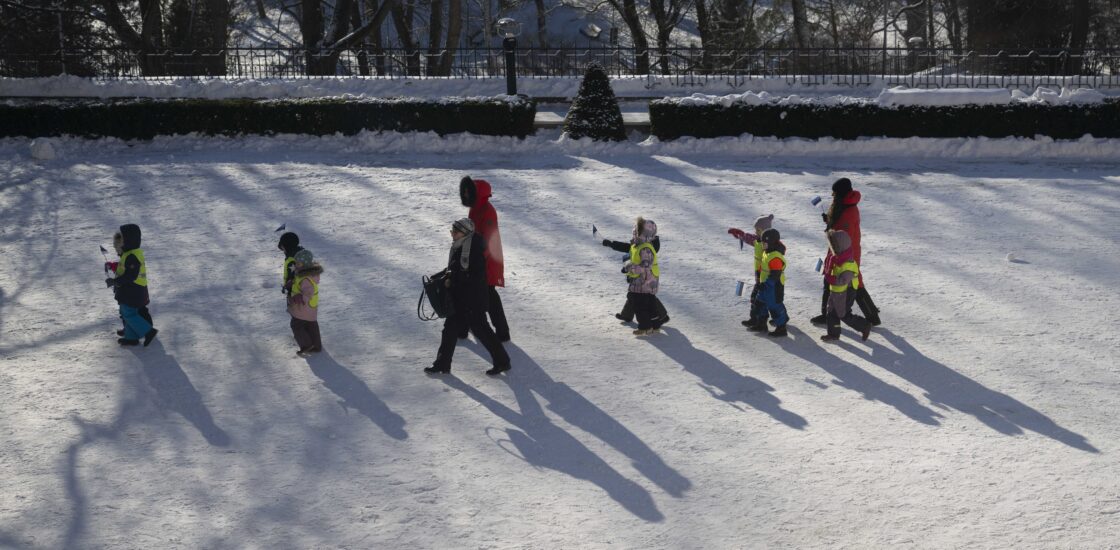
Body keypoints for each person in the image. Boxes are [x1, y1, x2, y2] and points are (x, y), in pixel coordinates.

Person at [426, 218, 512, 375]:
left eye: (455, 232)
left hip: (473, 300)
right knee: (450, 329)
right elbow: (455, 268)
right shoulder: (461, 246)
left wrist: (450, 280)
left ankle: (503, 362)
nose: (452, 234)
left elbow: (472, 276)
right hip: (461, 298)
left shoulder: (472, 250)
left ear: (464, 233)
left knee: (482, 330)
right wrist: (441, 276)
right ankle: (442, 363)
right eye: (452, 231)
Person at [812, 178, 881, 326]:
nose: (833, 196)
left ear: (841, 194)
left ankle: (872, 316)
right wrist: (829, 221)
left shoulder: (849, 211)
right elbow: (838, 227)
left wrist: (831, 228)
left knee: (855, 283)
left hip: (846, 253)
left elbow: (843, 236)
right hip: (837, 250)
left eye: (835, 193)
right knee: (829, 279)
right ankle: (826, 314)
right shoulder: (843, 205)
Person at [459, 176, 510, 342]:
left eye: (468, 191)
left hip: (487, 260)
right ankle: (471, 327)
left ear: (476, 193)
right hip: (478, 257)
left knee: (488, 294)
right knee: (477, 293)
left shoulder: (487, 211)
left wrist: (477, 259)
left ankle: (501, 332)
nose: (465, 194)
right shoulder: (475, 208)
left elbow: (488, 239)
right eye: (464, 192)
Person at [105, 224, 158, 347]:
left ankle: (148, 331)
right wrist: (113, 266)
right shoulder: (130, 254)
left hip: (134, 291)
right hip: (132, 291)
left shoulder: (132, 256)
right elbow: (124, 267)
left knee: (128, 313)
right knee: (126, 312)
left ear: (128, 241)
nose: (118, 245)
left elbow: (130, 275)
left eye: (121, 241)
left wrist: (115, 282)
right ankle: (131, 337)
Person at [603, 232, 668, 327]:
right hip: (640, 275)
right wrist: (611, 244)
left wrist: (631, 269)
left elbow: (644, 261)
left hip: (647, 276)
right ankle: (627, 315)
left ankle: (661, 316)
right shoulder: (640, 243)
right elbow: (627, 247)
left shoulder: (647, 246)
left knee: (645, 297)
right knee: (633, 295)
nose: (634, 236)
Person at [821, 230, 872, 342]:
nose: (832, 249)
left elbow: (843, 280)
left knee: (843, 314)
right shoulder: (837, 258)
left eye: (833, 246)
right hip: (836, 291)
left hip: (847, 291)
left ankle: (864, 326)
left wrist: (829, 277)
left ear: (840, 247)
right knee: (832, 311)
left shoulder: (848, 263)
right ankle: (834, 334)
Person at [728, 214, 774, 331]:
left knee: (761, 301)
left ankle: (762, 323)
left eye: (758, 230)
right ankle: (754, 319)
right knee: (755, 298)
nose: (756, 232)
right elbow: (752, 239)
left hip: (767, 278)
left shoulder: (769, 244)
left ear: (764, 231)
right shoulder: (759, 241)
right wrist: (741, 235)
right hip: (759, 276)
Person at [622, 217, 662, 336]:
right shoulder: (641, 245)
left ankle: (645, 327)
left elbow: (645, 266)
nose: (635, 232)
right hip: (647, 281)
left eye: (637, 230)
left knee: (639, 305)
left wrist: (629, 268)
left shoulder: (645, 247)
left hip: (644, 282)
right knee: (650, 304)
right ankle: (655, 325)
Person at [750, 228, 788, 337]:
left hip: (773, 287)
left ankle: (781, 328)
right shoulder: (767, 252)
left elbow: (775, 275)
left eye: (765, 243)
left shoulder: (775, 256)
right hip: (764, 285)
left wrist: (766, 284)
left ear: (771, 242)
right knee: (760, 304)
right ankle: (761, 324)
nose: (763, 245)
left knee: (774, 306)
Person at [288, 249, 324, 356]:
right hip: (310, 308)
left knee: (296, 325)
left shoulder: (305, 278)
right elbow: (300, 283)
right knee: (311, 325)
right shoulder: (308, 275)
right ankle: (316, 346)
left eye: (298, 263)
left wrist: (299, 297)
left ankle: (306, 345)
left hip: (302, 307)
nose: (295, 265)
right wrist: (292, 283)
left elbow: (309, 291)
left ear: (304, 264)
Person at [277, 231, 303, 297]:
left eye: (283, 248)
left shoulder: (292, 261)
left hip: (295, 294)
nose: (283, 251)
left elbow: (291, 279)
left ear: (288, 247)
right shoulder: (300, 255)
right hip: (299, 293)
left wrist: (287, 289)